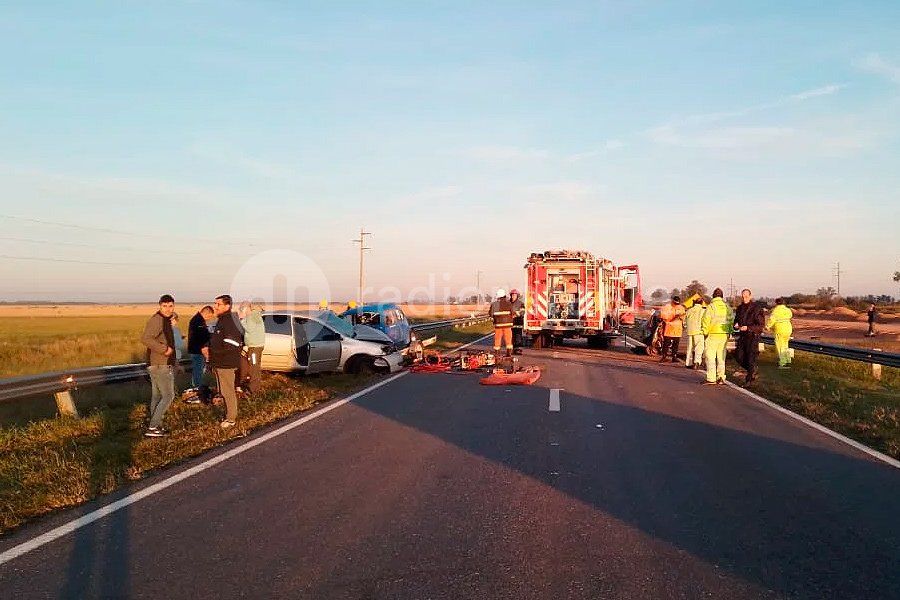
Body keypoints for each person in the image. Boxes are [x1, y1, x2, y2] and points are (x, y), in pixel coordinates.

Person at [140, 294, 177, 437]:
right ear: (159, 306)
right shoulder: (157, 320)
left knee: (157, 396)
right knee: (168, 396)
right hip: (160, 363)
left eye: (170, 306)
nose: (168, 309)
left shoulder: (165, 320)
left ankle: (155, 426)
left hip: (157, 363)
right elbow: (146, 338)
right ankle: (153, 426)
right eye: (165, 306)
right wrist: (165, 349)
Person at [209, 294, 244, 429]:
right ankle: (228, 415)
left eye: (218, 304)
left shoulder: (229, 321)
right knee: (223, 391)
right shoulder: (222, 320)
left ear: (227, 306)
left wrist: (216, 352)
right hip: (219, 362)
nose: (215, 306)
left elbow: (232, 343)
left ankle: (231, 419)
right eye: (215, 303)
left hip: (226, 363)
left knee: (228, 391)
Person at [701, 288, 734, 385]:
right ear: (722, 296)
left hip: (713, 334)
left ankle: (711, 378)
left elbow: (706, 320)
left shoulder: (711, 307)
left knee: (710, 356)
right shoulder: (727, 307)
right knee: (721, 357)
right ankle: (721, 377)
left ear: (713, 296)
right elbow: (731, 321)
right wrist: (728, 332)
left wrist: (705, 332)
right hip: (724, 335)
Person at [733, 288, 765, 385]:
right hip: (742, 336)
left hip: (753, 336)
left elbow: (761, 325)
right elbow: (736, 320)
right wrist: (735, 325)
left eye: (746, 296)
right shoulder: (739, 308)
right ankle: (752, 370)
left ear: (750, 296)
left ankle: (749, 379)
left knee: (751, 357)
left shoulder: (756, 308)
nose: (744, 298)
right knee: (739, 356)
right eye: (743, 296)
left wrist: (748, 328)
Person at [239, 300, 266, 395]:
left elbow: (249, 329)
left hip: (254, 347)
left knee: (254, 367)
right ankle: (251, 385)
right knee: (253, 366)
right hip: (255, 346)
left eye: (241, 310)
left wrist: (242, 320)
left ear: (245, 309)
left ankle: (253, 389)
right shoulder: (255, 315)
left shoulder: (251, 317)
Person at [187, 305, 214, 393]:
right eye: (209, 316)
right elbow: (202, 337)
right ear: (206, 313)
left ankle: (197, 387)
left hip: (195, 350)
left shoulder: (197, 319)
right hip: (198, 351)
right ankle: (197, 388)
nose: (209, 319)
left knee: (198, 370)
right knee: (198, 370)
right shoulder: (198, 321)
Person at [766, 297, 793, 368]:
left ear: (776, 303)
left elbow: (772, 320)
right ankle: (787, 360)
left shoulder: (775, 310)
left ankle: (783, 363)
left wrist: (767, 327)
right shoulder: (788, 310)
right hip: (788, 328)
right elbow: (790, 316)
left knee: (780, 346)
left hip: (779, 329)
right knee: (785, 345)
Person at [658, 295, 686, 363]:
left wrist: (680, 317)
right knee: (666, 343)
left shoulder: (681, 308)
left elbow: (683, 317)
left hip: (677, 328)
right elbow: (663, 316)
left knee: (675, 344)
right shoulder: (667, 307)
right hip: (669, 327)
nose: (676, 304)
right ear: (672, 301)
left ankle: (674, 356)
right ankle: (664, 356)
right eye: (675, 303)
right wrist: (673, 316)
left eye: (677, 303)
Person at [489, 289, 514, 357]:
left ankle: (497, 353)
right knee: (508, 338)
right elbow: (512, 313)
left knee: (497, 338)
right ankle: (509, 353)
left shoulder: (494, 304)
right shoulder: (509, 303)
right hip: (508, 324)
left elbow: (491, 314)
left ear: (498, 296)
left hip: (498, 324)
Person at [683, 298, 706, 370]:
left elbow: (684, 322)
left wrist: (687, 327)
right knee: (699, 348)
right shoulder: (703, 311)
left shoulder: (689, 311)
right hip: (699, 332)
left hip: (690, 331)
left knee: (689, 348)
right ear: (702, 303)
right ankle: (696, 362)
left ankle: (688, 363)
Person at [509, 289, 525, 355]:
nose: (513, 296)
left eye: (515, 295)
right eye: (512, 295)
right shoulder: (508, 303)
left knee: (518, 336)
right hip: (510, 322)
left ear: (517, 296)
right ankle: (512, 349)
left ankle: (518, 349)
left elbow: (522, 312)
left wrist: (515, 314)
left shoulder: (521, 303)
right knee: (511, 336)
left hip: (518, 322)